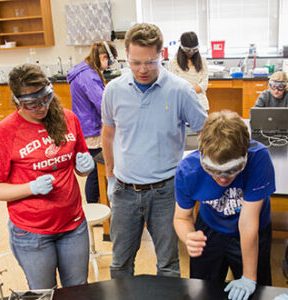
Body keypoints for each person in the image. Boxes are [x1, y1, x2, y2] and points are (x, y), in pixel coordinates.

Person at [101, 23, 207, 279]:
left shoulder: (180, 90)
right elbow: (108, 133)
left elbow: (207, 132)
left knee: (168, 266)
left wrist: (195, 175)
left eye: (150, 62)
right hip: (124, 191)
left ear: (162, 55)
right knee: (120, 264)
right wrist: (110, 176)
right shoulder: (113, 90)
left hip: (166, 192)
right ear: (125, 56)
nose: (143, 69)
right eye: (135, 62)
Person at [0, 64, 95, 289]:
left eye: (45, 99)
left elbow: (79, 167)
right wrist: (31, 188)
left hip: (73, 225)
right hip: (32, 232)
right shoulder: (3, 133)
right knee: (45, 293)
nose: (41, 108)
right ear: (17, 101)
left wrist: (85, 167)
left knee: (77, 290)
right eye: (31, 104)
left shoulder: (68, 119)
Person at [174, 110, 275, 300]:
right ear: (202, 156)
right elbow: (181, 217)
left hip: (252, 229)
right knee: (202, 290)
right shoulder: (188, 170)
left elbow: (247, 224)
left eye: (232, 170)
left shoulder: (259, 158)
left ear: (245, 156)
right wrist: (189, 236)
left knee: (257, 291)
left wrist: (249, 277)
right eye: (213, 170)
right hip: (210, 228)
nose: (222, 179)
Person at [67, 41, 118, 203]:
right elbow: (102, 104)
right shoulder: (88, 75)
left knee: (95, 172)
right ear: (103, 57)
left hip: (86, 127)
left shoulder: (84, 70)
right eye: (109, 62)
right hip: (92, 131)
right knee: (96, 173)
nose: (108, 67)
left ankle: (97, 205)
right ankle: (94, 208)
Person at [169, 31, 209, 111]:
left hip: (200, 103)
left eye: (194, 50)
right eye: (188, 50)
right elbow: (174, 86)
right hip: (181, 102)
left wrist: (188, 90)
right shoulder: (173, 63)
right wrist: (191, 90)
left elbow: (204, 84)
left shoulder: (202, 61)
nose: (191, 53)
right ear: (181, 47)